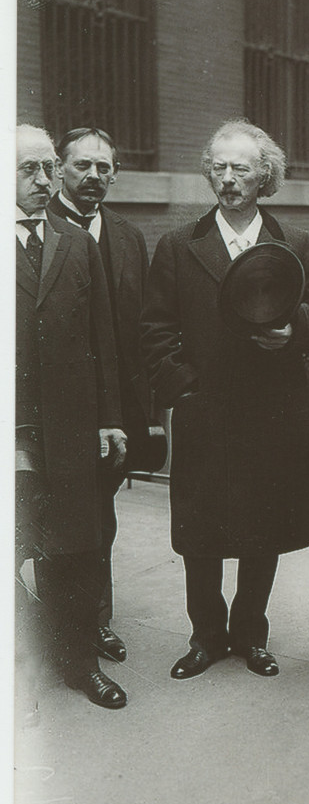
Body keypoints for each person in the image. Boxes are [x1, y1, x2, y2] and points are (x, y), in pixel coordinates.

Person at [141, 119, 309, 679]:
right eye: (219, 168)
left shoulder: (295, 246)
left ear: (264, 177)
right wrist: (185, 388)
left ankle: (251, 633)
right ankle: (205, 637)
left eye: (241, 169)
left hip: (273, 411)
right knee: (201, 531)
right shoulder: (180, 246)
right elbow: (155, 330)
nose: (228, 179)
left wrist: (293, 330)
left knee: (263, 527)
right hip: (207, 410)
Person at [15, 124, 127, 709]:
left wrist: (110, 417)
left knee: (75, 550)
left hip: (70, 428)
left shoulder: (75, 241)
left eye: (46, 168)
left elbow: (101, 337)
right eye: (26, 169)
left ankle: (79, 663)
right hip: (13, 429)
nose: (41, 180)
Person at [49, 127, 152, 665]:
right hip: (55, 405)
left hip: (115, 409)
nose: (94, 176)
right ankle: (58, 625)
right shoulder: (35, 228)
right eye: (82, 165)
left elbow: (139, 331)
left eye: (104, 168)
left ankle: (94, 620)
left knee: (100, 518)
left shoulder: (129, 237)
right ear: (59, 169)